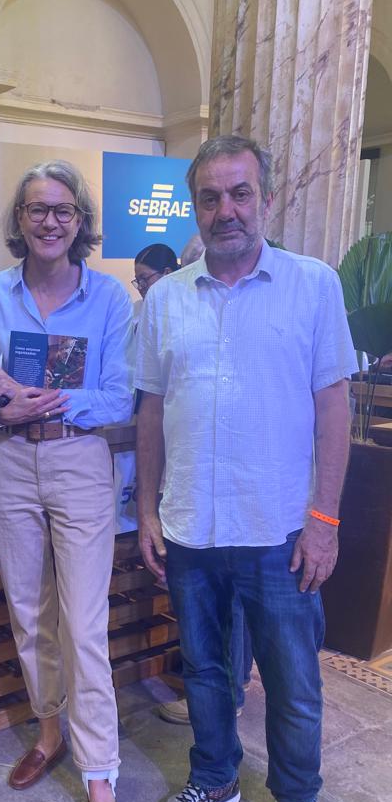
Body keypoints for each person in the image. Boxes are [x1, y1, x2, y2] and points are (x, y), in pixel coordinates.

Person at [134, 135, 356, 802]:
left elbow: (333, 408)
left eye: (239, 193)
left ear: (267, 198)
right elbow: (151, 411)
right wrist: (146, 513)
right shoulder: (167, 298)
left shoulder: (313, 285)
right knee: (203, 671)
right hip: (191, 528)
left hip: (280, 528)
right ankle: (214, 777)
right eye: (210, 197)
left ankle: (298, 797)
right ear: (194, 208)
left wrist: (325, 520)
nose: (225, 210)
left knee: (292, 681)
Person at [0, 159, 134, 802]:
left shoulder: (108, 298)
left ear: (80, 221)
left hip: (79, 459)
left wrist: (46, 400)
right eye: (37, 209)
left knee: (83, 624)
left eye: (62, 210)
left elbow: (119, 397)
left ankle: (101, 775)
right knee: (29, 613)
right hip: (7, 462)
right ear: (20, 220)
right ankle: (49, 732)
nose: (49, 221)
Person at [134, 240, 253, 726]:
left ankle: (232, 692)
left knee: (235, 603)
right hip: (190, 489)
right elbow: (154, 403)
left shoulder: (257, 310)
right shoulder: (169, 308)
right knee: (205, 610)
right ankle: (215, 703)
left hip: (243, 492)